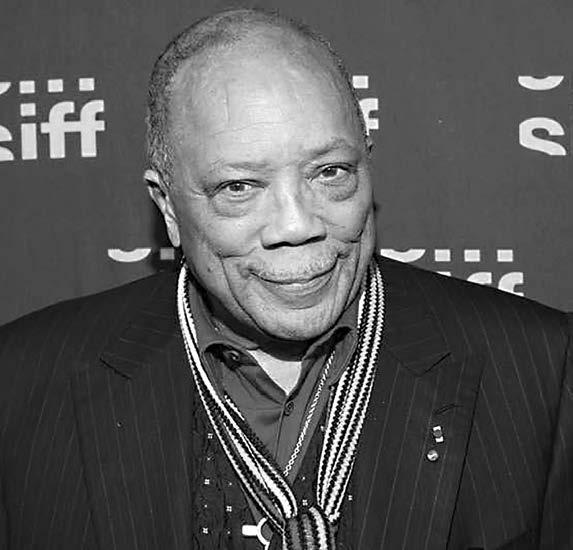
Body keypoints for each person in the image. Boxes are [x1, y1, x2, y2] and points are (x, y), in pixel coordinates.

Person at [0, 8, 571, 550]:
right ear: (168, 207)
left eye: (330, 172)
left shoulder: (540, 368)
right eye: (239, 187)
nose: (297, 226)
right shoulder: (23, 383)